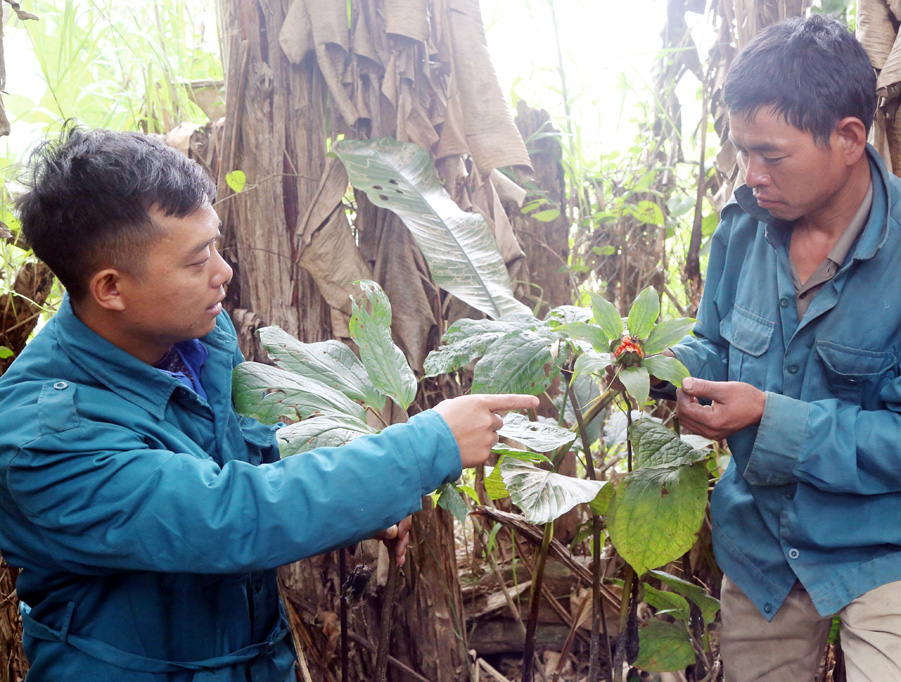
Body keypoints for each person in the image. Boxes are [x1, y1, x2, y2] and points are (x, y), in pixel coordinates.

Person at [0, 126, 538, 681]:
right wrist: (426, 448)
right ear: (111, 288)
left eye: (214, 244)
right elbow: (227, 515)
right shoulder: (43, 438)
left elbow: (242, 452)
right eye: (195, 261)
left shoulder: (190, 344)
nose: (223, 272)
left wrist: (366, 492)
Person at [655, 15, 901, 681]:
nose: (751, 174)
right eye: (742, 151)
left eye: (772, 155)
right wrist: (659, 373)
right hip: (765, 541)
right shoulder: (743, 230)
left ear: (848, 138)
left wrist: (766, 418)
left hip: (896, 542)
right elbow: (712, 345)